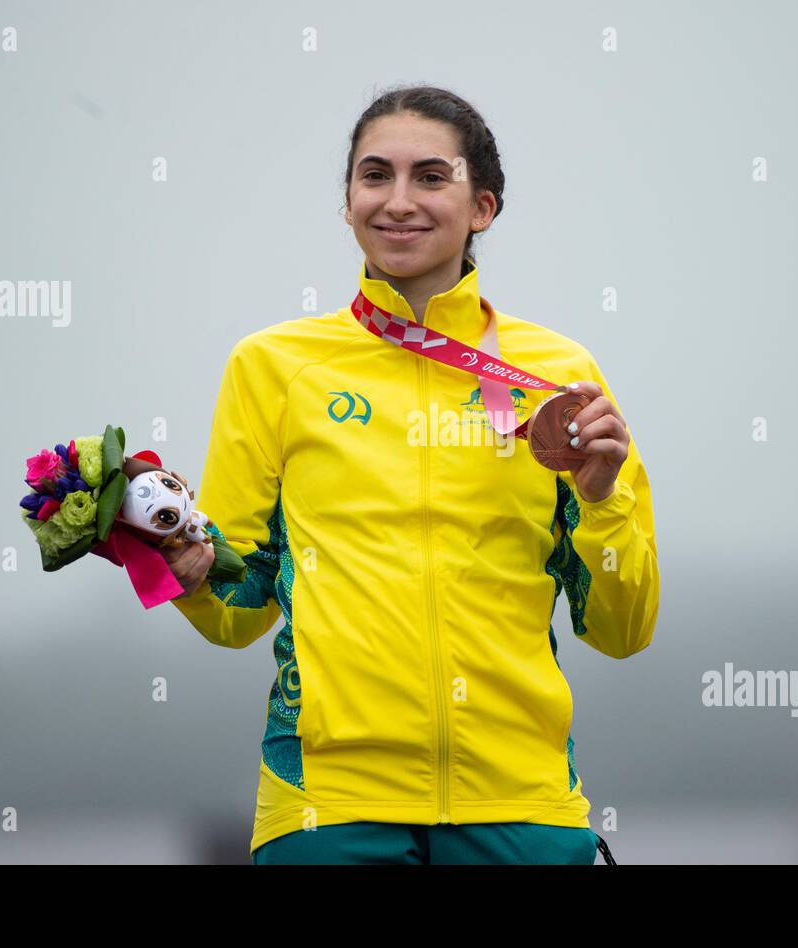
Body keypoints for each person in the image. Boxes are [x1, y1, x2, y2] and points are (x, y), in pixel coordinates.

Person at [163, 85, 659, 865]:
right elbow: (239, 608)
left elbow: (624, 631)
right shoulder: (274, 367)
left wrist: (600, 500)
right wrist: (183, 569)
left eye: (431, 176)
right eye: (374, 176)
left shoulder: (560, 377)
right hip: (328, 810)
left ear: (483, 206)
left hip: (523, 807)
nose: (398, 201)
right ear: (348, 202)